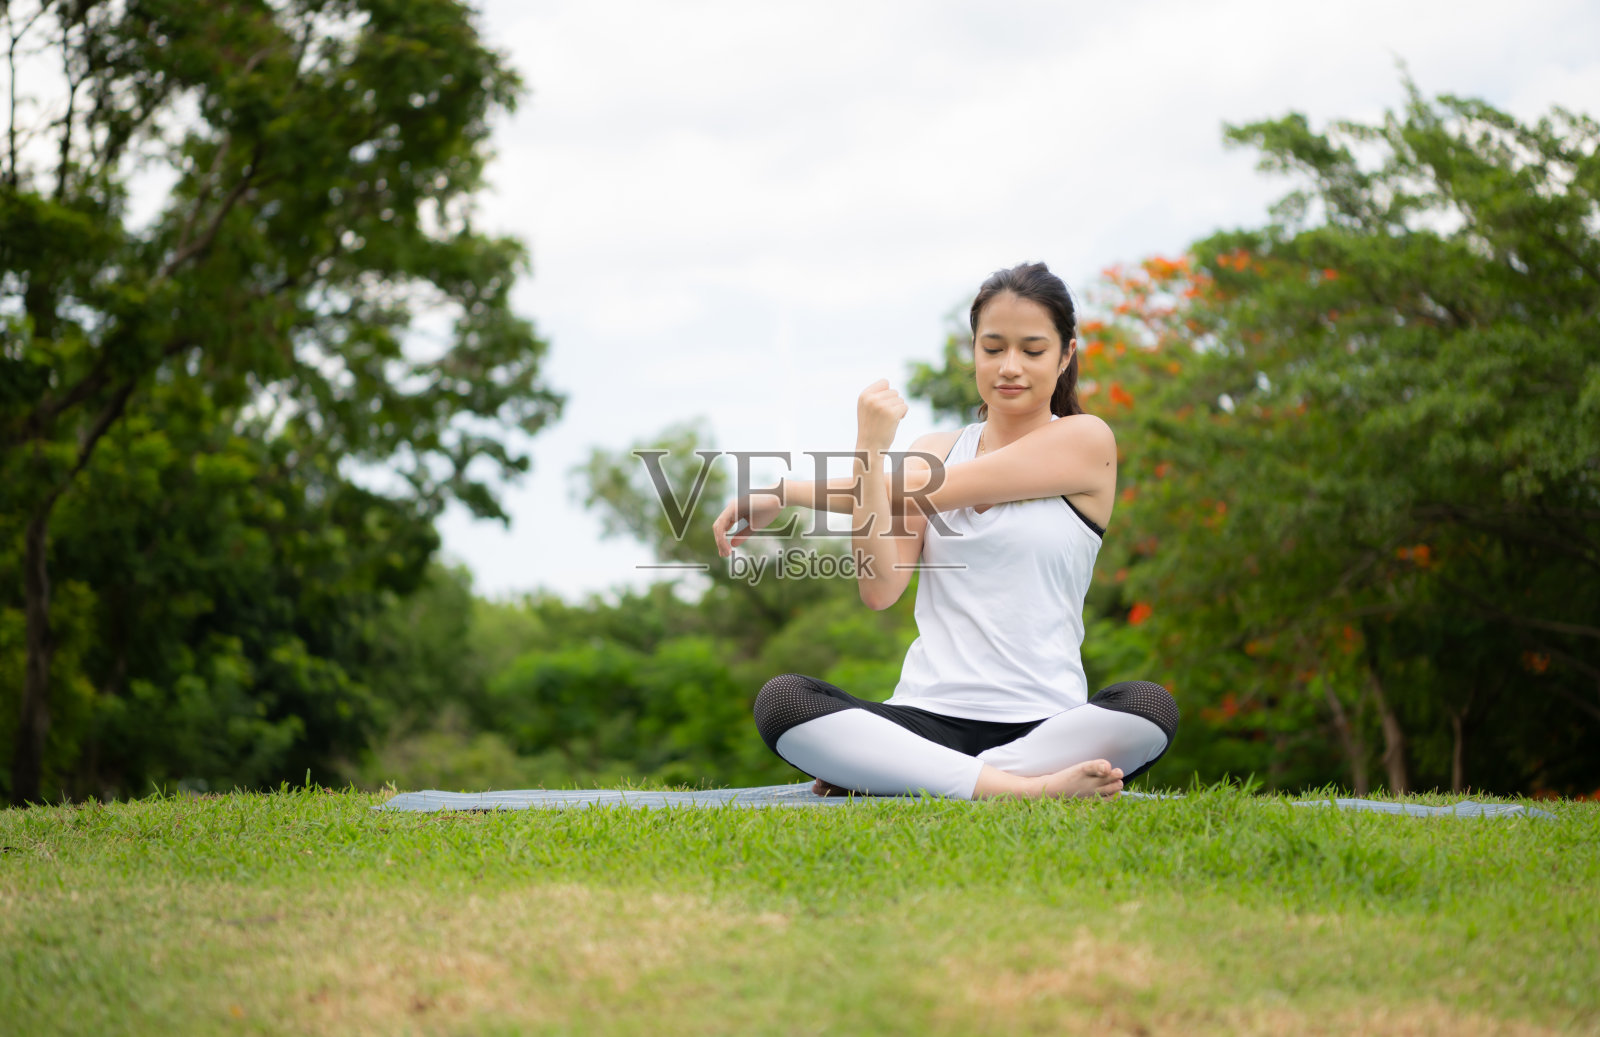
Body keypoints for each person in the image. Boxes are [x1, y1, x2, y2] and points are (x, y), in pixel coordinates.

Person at [711, 261, 1178, 800]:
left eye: (1032, 350)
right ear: (973, 349)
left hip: (1047, 725)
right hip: (925, 719)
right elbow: (880, 588)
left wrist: (787, 492)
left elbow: (936, 487)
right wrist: (868, 450)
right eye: (993, 347)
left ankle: (910, 774)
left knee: (1147, 707)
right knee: (784, 701)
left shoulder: (1085, 440)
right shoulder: (931, 450)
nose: (1010, 367)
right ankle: (1019, 788)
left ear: (1066, 354)